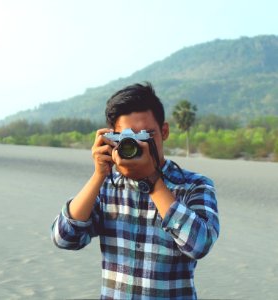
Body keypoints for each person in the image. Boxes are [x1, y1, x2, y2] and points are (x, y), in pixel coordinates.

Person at [51, 82, 220, 300]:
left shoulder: (194, 185)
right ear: (113, 140)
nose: (139, 145)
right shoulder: (107, 187)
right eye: (128, 138)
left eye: (147, 135)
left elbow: (200, 245)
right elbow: (64, 238)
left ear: (164, 131)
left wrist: (152, 180)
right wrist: (99, 175)